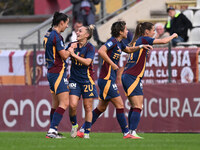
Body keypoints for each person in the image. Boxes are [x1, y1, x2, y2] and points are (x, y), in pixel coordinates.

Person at [75, 21, 152, 139]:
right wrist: (112, 64)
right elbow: (101, 51)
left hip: (108, 79)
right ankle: (126, 133)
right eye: (125, 30)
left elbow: (129, 50)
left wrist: (141, 46)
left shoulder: (120, 43)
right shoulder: (113, 41)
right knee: (120, 104)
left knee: (101, 108)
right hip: (106, 79)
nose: (127, 31)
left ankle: (82, 130)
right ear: (120, 32)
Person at [122, 22, 178, 138]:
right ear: (147, 32)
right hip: (133, 76)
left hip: (128, 75)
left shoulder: (137, 40)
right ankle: (132, 132)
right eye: (153, 30)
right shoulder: (144, 40)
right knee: (138, 106)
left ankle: (129, 133)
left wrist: (154, 38)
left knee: (134, 106)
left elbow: (152, 41)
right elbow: (163, 41)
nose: (154, 33)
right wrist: (173, 35)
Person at [44, 12, 74, 138]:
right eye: (66, 23)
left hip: (51, 72)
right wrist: (71, 49)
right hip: (58, 72)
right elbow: (64, 55)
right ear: (61, 23)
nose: (67, 26)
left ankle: (52, 130)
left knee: (55, 104)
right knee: (65, 103)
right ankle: (52, 130)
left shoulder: (48, 33)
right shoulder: (56, 36)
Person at [66, 24, 98, 139]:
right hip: (74, 79)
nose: (77, 33)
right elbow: (64, 56)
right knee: (72, 105)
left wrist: (73, 54)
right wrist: (69, 50)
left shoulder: (90, 48)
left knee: (88, 107)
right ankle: (74, 125)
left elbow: (87, 62)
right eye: (77, 31)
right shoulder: (72, 45)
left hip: (87, 80)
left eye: (80, 31)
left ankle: (87, 133)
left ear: (87, 35)